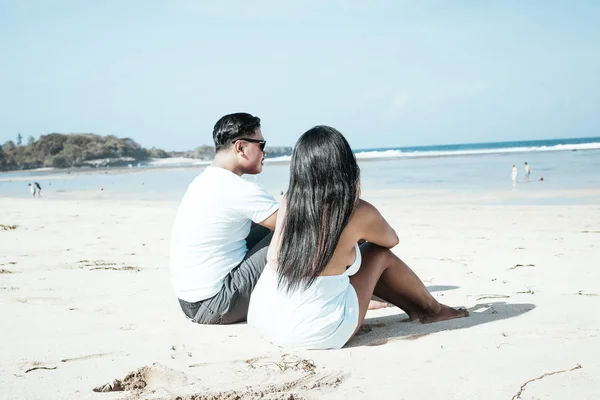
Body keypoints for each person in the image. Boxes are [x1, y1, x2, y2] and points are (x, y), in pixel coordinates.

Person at [248, 126, 468, 350]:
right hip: (314, 333)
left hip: (264, 318)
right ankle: (432, 310)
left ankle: (422, 309)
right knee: (377, 253)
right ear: (345, 165)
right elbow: (391, 240)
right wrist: (356, 236)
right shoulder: (355, 211)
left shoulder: (289, 201)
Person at [169, 113, 279, 325]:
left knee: (271, 228)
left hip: (190, 301)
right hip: (216, 304)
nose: (265, 153)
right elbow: (299, 226)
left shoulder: (204, 181)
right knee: (296, 234)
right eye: (261, 145)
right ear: (240, 147)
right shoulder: (236, 188)